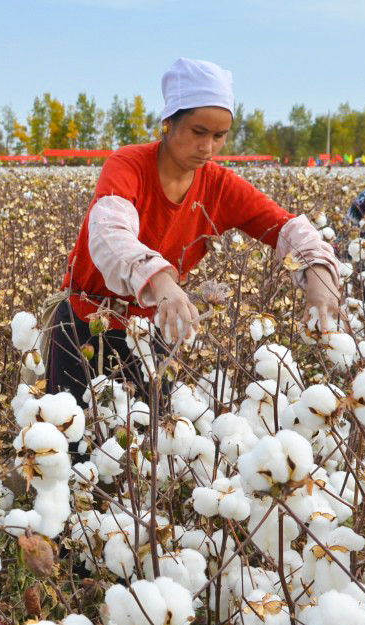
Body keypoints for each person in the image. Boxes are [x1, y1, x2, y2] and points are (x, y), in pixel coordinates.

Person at [47, 57, 342, 406]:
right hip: (83, 327)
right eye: (198, 132)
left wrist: (319, 273)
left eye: (219, 136)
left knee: (146, 444)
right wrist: (160, 280)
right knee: (71, 445)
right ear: (168, 123)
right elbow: (109, 232)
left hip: (154, 331)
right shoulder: (127, 165)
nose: (208, 148)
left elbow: (284, 227)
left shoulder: (220, 186)